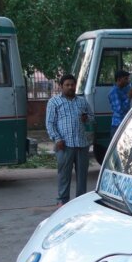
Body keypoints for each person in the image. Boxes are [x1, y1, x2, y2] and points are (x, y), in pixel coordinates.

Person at [46, 73, 92, 206]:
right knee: (64, 175)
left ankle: (80, 202)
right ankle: (62, 201)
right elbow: (50, 123)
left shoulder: (82, 101)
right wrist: (57, 139)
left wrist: (87, 118)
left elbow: (92, 117)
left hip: (82, 144)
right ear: (61, 86)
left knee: (82, 176)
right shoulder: (54, 102)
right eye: (67, 85)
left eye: (72, 85)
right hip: (64, 145)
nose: (70, 87)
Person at [108, 69, 132, 136]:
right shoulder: (114, 92)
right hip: (118, 126)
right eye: (126, 79)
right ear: (119, 79)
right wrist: (129, 97)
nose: (127, 81)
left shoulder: (123, 89)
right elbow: (120, 110)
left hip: (124, 124)